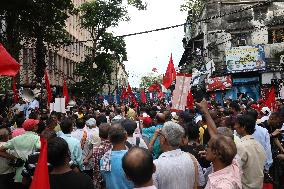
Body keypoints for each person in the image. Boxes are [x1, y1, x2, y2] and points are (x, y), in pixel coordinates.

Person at [152, 121, 205, 189]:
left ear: (164, 139)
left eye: (160, 136)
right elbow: (201, 183)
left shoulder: (155, 165)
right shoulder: (192, 159)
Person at [0, 119, 40, 187]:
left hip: (19, 174)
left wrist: (16, 157)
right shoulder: (37, 139)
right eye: (36, 125)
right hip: (33, 173)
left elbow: (1, 148)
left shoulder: (16, 139)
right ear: (34, 127)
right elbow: (41, 148)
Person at [234, 114, 266, 189]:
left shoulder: (241, 146)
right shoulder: (259, 145)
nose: (234, 127)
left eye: (236, 124)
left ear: (243, 127)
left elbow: (235, 170)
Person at [100, 123, 134, 189]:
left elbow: (105, 178)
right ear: (126, 136)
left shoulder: (105, 158)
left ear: (109, 139)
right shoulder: (133, 157)